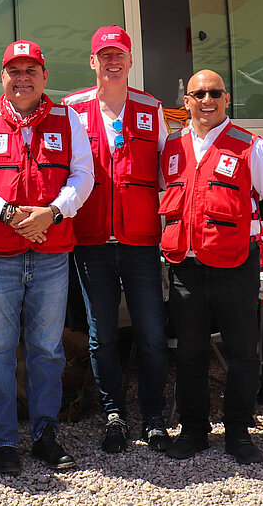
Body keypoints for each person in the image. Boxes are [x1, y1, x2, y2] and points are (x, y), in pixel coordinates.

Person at [0, 40, 93, 476]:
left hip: (50, 253)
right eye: (14, 70)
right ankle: (4, 440)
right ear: (3, 77)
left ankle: (46, 434)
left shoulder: (68, 118)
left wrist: (51, 213)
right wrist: (10, 213)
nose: (23, 78)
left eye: (31, 70)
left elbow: (83, 176)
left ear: (45, 76)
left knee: (47, 349)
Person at [159, 69, 263, 465]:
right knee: (190, 354)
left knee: (242, 354)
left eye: (215, 93)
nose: (206, 100)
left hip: (235, 265)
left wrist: (227, 228)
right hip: (186, 268)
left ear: (227, 99)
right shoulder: (172, 146)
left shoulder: (251, 146)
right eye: (198, 94)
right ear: (188, 102)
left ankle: (238, 433)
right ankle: (193, 431)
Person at [62, 26, 170, 454]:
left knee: (152, 334)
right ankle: (114, 416)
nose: (112, 61)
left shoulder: (151, 107)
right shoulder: (71, 108)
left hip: (141, 241)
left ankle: (154, 416)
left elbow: (168, 172)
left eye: (119, 54)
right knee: (101, 335)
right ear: (92, 62)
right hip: (90, 242)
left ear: (130, 60)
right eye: (104, 55)